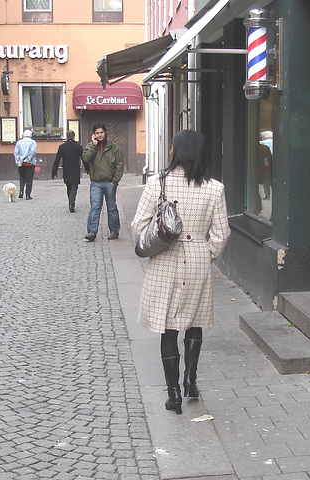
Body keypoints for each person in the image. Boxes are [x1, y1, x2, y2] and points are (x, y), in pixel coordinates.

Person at [131, 129, 230, 415]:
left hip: (164, 260)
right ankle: (190, 380)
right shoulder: (215, 188)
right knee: (194, 318)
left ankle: (173, 394)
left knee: (168, 325)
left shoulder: (157, 183)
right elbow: (222, 234)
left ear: (175, 151)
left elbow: (139, 226)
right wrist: (204, 252)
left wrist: (152, 243)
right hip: (198, 257)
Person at [82, 123, 124, 241]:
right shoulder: (90, 146)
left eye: (101, 132)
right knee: (95, 207)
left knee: (111, 207)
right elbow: (86, 158)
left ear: (105, 133)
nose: (99, 135)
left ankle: (114, 231)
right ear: (93, 135)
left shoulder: (114, 147)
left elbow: (119, 164)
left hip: (109, 182)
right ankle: (92, 232)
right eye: (97, 133)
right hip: (96, 183)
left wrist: (115, 181)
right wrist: (94, 146)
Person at [51, 130, 83, 213]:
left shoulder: (62, 147)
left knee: (68, 186)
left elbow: (57, 159)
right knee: (74, 186)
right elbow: (84, 158)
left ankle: (70, 201)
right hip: (75, 169)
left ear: (67, 136)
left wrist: (54, 171)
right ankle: (72, 202)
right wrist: (88, 168)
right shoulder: (78, 146)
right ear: (74, 136)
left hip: (66, 169)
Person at [14, 129, 37, 200]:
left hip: (21, 164)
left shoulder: (19, 142)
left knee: (22, 178)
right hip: (29, 164)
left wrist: (18, 162)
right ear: (30, 135)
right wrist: (27, 160)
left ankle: (21, 192)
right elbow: (32, 152)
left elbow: (16, 153)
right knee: (29, 179)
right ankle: (27, 195)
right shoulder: (33, 142)